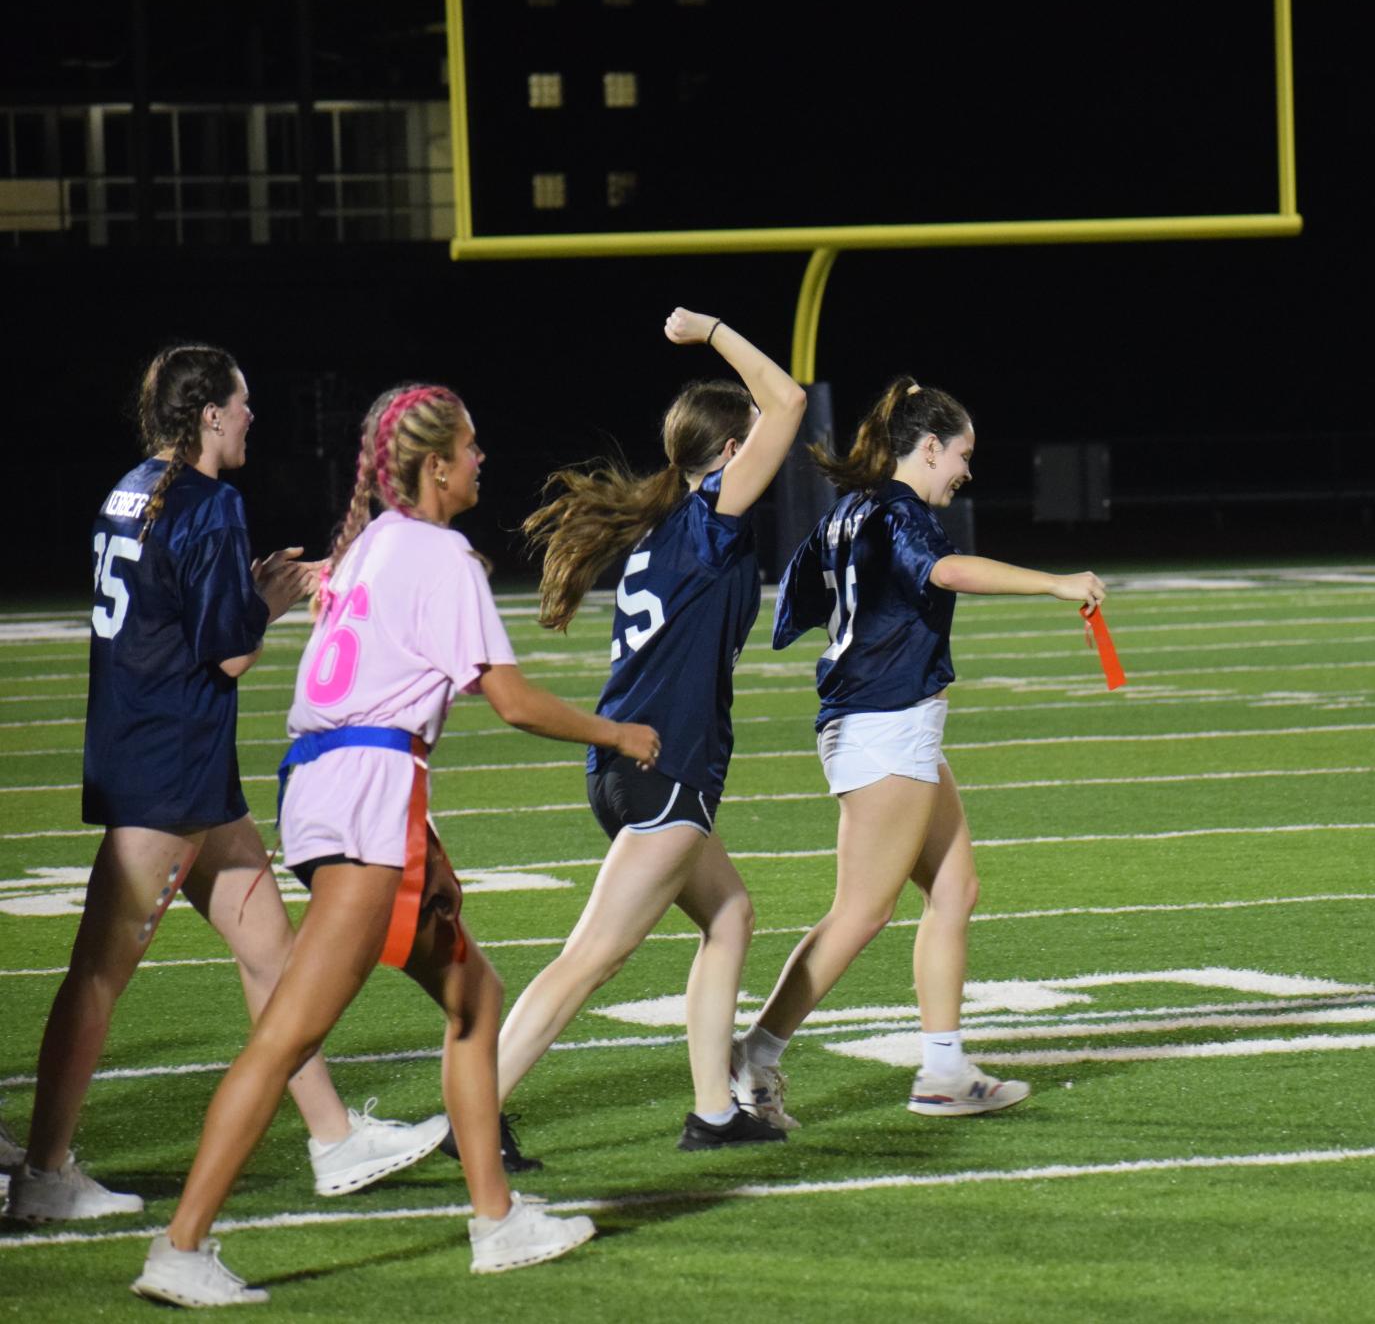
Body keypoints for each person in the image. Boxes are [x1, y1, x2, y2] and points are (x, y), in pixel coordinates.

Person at [131, 383, 660, 1307]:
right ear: (435, 465)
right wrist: (621, 735)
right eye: (471, 443)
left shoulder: (372, 540)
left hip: (333, 788)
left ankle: (497, 1221)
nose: (483, 458)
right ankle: (180, 1248)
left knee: (474, 997)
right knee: (288, 1036)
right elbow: (512, 700)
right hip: (371, 797)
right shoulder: (440, 552)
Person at [6, 345, 444, 1225]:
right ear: (209, 413)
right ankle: (46, 1172)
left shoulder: (131, 486)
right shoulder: (211, 504)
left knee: (272, 955)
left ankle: (332, 1138)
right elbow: (229, 652)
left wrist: (246, 591)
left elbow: (174, 614)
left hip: (169, 754)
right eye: (242, 405)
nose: (251, 418)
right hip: (169, 763)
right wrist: (273, 601)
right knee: (98, 974)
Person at [733, 376, 1104, 1127]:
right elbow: (944, 570)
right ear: (928, 447)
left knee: (953, 891)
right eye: (961, 454)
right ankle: (755, 1055)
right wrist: (1056, 584)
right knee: (860, 914)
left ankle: (942, 1066)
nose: (966, 471)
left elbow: (800, 600)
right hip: (882, 725)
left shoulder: (851, 510)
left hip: (888, 722)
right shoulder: (898, 511)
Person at [493, 308, 805, 1160]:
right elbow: (787, 402)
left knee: (730, 913)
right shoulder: (708, 515)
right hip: (663, 764)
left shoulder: (670, 525)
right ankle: (472, 1111)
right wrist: (712, 331)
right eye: (751, 446)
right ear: (731, 454)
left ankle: (713, 1111)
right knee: (590, 956)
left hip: (639, 763)